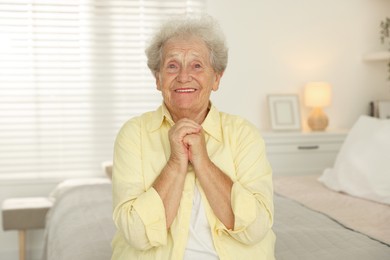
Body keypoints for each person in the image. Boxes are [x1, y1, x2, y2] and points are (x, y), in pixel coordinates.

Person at [111, 14, 275, 260]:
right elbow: (137, 234)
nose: (184, 76)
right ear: (158, 79)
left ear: (216, 78)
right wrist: (176, 163)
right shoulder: (134, 134)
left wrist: (203, 162)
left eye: (197, 65)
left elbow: (255, 229)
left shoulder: (244, 135)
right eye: (172, 66)